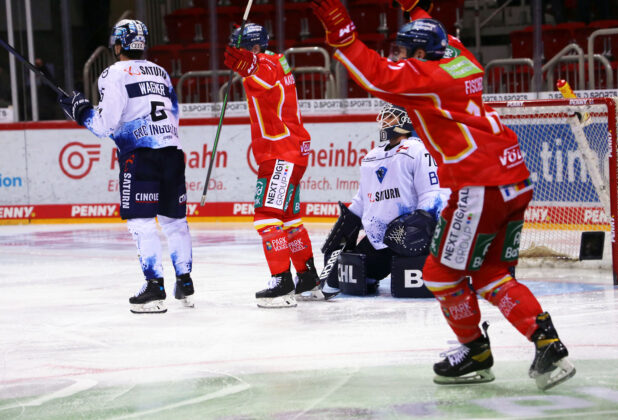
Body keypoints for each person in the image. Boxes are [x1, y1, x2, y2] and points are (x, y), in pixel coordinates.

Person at [311, 0, 576, 390]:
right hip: (512, 179)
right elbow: (437, 35)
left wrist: (341, 31)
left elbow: (376, 76)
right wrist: (417, 9)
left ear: (420, 55)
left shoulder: (426, 78)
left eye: (402, 50)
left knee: (439, 273)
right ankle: (547, 343)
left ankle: (475, 350)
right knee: (490, 272)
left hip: (480, 185)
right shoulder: (461, 60)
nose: (396, 56)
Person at [58, 19, 194, 314]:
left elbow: (104, 126)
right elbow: (174, 114)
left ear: (118, 44)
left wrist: (80, 111)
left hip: (140, 156)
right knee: (174, 221)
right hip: (172, 152)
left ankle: (154, 287)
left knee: (141, 221)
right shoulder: (162, 73)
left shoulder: (113, 73)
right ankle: (184, 280)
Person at [222, 23, 322, 308]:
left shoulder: (265, 63)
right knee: (290, 218)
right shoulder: (277, 60)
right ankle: (307, 278)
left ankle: (281, 282)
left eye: (239, 46)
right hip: (292, 153)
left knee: (266, 217)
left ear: (253, 47)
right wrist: (246, 63)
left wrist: (247, 63)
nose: (235, 52)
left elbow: (263, 75)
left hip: (279, 155)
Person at [321, 103, 449, 298]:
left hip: (410, 238)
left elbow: (431, 196)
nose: (384, 122)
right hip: (379, 241)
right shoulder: (371, 157)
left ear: (406, 121)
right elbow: (362, 201)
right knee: (347, 274)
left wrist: (420, 232)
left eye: (391, 118)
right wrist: (346, 226)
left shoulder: (418, 151)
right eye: (384, 117)